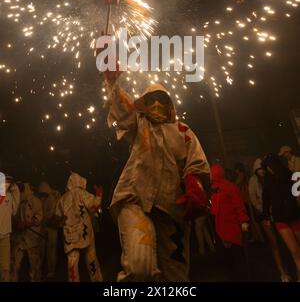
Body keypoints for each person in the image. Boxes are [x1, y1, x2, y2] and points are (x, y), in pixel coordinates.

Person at [105, 77, 211, 282]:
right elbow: (122, 111)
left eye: (160, 99)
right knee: (139, 265)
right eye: (150, 99)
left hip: (173, 208)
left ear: (169, 104)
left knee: (176, 277)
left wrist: (194, 185)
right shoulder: (140, 124)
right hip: (134, 199)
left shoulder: (183, 131)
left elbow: (196, 162)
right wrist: (112, 83)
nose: (156, 104)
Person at [55, 172, 103, 282]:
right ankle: (97, 280)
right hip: (84, 231)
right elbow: (93, 207)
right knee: (91, 257)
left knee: (72, 263)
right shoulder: (82, 193)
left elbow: (57, 218)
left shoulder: (62, 199)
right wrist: (99, 196)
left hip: (69, 235)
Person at [249, 158, 290, 282]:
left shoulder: (270, 178)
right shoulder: (253, 181)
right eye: (259, 169)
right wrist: (264, 211)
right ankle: (282, 272)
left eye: (262, 168)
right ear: (255, 171)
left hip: (277, 215)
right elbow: (253, 199)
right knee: (274, 244)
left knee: (284, 243)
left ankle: (288, 269)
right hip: (265, 216)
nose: (261, 171)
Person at [262, 154, 300, 282]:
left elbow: (265, 200)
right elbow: (298, 194)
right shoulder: (291, 175)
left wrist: (266, 215)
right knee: (297, 252)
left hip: (282, 218)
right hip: (294, 215)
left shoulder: (268, 181)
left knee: (295, 253)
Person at [211, 164, 249, 282]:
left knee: (236, 256)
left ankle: (241, 278)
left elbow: (238, 204)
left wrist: (243, 220)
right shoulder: (212, 188)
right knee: (228, 258)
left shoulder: (229, 187)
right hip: (220, 226)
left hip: (230, 225)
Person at [12, 183, 43, 282]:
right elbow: (16, 218)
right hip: (21, 238)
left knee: (34, 265)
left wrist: (25, 224)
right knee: (15, 263)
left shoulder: (35, 201)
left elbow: (38, 219)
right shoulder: (21, 203)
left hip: (32, 238)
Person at [38, 182, 60, 279]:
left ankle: (51, 271)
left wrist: (42, 220)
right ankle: (42, 269)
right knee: (42, 250)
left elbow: (50, 214)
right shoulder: (43, 198)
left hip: (51, 229)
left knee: (50, 251)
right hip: (44, 228)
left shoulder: (51, 198)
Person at [0, 175, 20, 282]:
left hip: (6, 234)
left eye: (10, 181)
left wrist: (16, 190)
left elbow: (14, 211)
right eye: (6, 180)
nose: (8, 183)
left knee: (5, 266)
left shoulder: (9, 196)